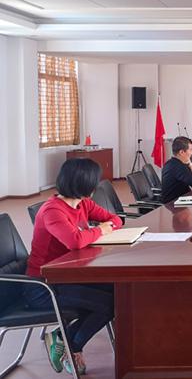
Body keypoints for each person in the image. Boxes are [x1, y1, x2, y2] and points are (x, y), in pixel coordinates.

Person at [24, 158, 123, 374]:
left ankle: (62, 337)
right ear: (83, 183)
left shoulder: (83, 203)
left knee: (120, 291)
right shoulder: (52, 210)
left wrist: (101, 228)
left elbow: (116, 219)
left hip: (68, 275)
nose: (96, 186)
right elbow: (75, 241)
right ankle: (72, 346)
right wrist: (101, 230)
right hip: (43, 286)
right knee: (109, 304)